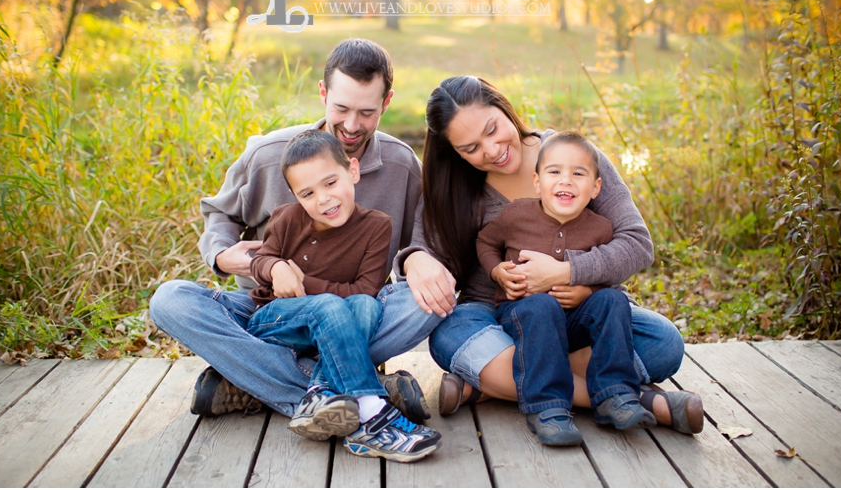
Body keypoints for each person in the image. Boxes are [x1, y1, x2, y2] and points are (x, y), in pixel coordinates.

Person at [394, 75, 704, 437]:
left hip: (579, 315)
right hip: (497, 319)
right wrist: (414, 258)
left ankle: (490, 386)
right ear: (455, 152)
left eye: (493, 129)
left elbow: (637, 243)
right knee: (448, 334)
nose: (492, 150)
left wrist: (566, 272)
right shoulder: (457, 187)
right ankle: (626, 398)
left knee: (663, 343)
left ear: (503, 106)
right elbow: (423, 250)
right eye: (471, 148)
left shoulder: (571, 156)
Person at [150, 39, 439, 424]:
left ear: (386, 103)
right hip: (269, 314)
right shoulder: (270, 154)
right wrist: (222, 254)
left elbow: (423, 238)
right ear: (323, 93)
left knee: (434, 298)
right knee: (170, 300)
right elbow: (220, 213)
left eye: (367, 112)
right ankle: (359, 391)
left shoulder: (401, 165)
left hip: (358, 314)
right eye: (341, 108)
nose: (352, 125)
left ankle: (257, 383)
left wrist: (418, 258)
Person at [244, 129, 440, 462]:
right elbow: (262, 258)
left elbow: (366, 289)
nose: (322, 199)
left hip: (335, 325)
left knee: (364, 303)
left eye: (330, 183)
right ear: (294, 195)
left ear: (352, 171)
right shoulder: (287, 218)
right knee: (332, 305)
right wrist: (275, 269)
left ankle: (322, 393)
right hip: (276, 320)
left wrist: (304, 279)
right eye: (307, 193)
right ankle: (372, 413)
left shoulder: (377, 226)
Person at [475, 130, 655, 445]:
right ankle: (547, 407)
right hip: (522, 310)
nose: (566, 181)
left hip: (572, 319)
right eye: (555, 172)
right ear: (537, 182)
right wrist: (497, 271)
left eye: (578, 174)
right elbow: (485, 241)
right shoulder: (516, 214)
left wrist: (588, 291)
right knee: (542, 307)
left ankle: (616, 395)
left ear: (596, 187)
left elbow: (606, 275)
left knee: (613, 300)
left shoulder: (600, 228)